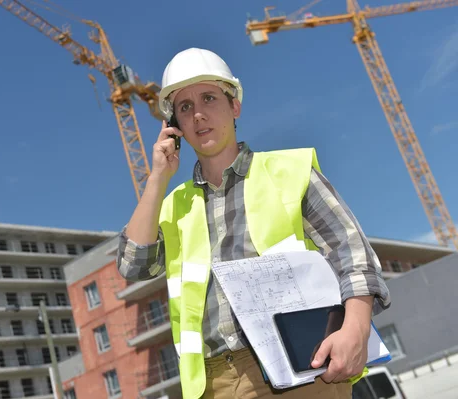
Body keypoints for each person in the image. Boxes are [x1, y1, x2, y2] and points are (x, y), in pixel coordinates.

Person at [116, 47, 390, 399]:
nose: (198, 114)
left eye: (209, 98)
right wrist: (157, 178)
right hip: (212, 384)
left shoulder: (289, 172)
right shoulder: (172, 207)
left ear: (235, 107)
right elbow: (132, 264)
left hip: (302, 369)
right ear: (176, 127)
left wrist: (356, 329)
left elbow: (352, 253)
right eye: (184, 107)